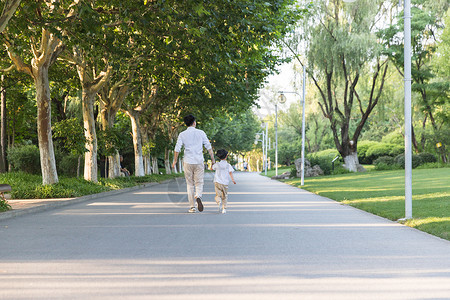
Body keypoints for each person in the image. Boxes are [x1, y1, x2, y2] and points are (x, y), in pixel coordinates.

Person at [172, 114, 215, 213]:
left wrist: (175, 160)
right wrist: (212, 161)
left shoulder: (182, 134)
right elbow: (208, 147)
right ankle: (198, 195)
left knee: (190, 184)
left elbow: (177, 148)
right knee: (199, 182)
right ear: (194, 122)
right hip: (199, 161)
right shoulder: (201, 133)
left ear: (186, 124)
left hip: (187, 161)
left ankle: (192, 207)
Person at [212, 149, 236, 214]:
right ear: (226, 157)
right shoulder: (228, 165)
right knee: (225, 196)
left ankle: (218, 201)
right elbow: (230, 173)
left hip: (217, 182)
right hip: (225, 183)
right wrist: (233, 180)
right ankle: (224, 209)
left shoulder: (217, 164)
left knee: (218, 195)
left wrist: (213, 162)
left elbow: (212, 168)